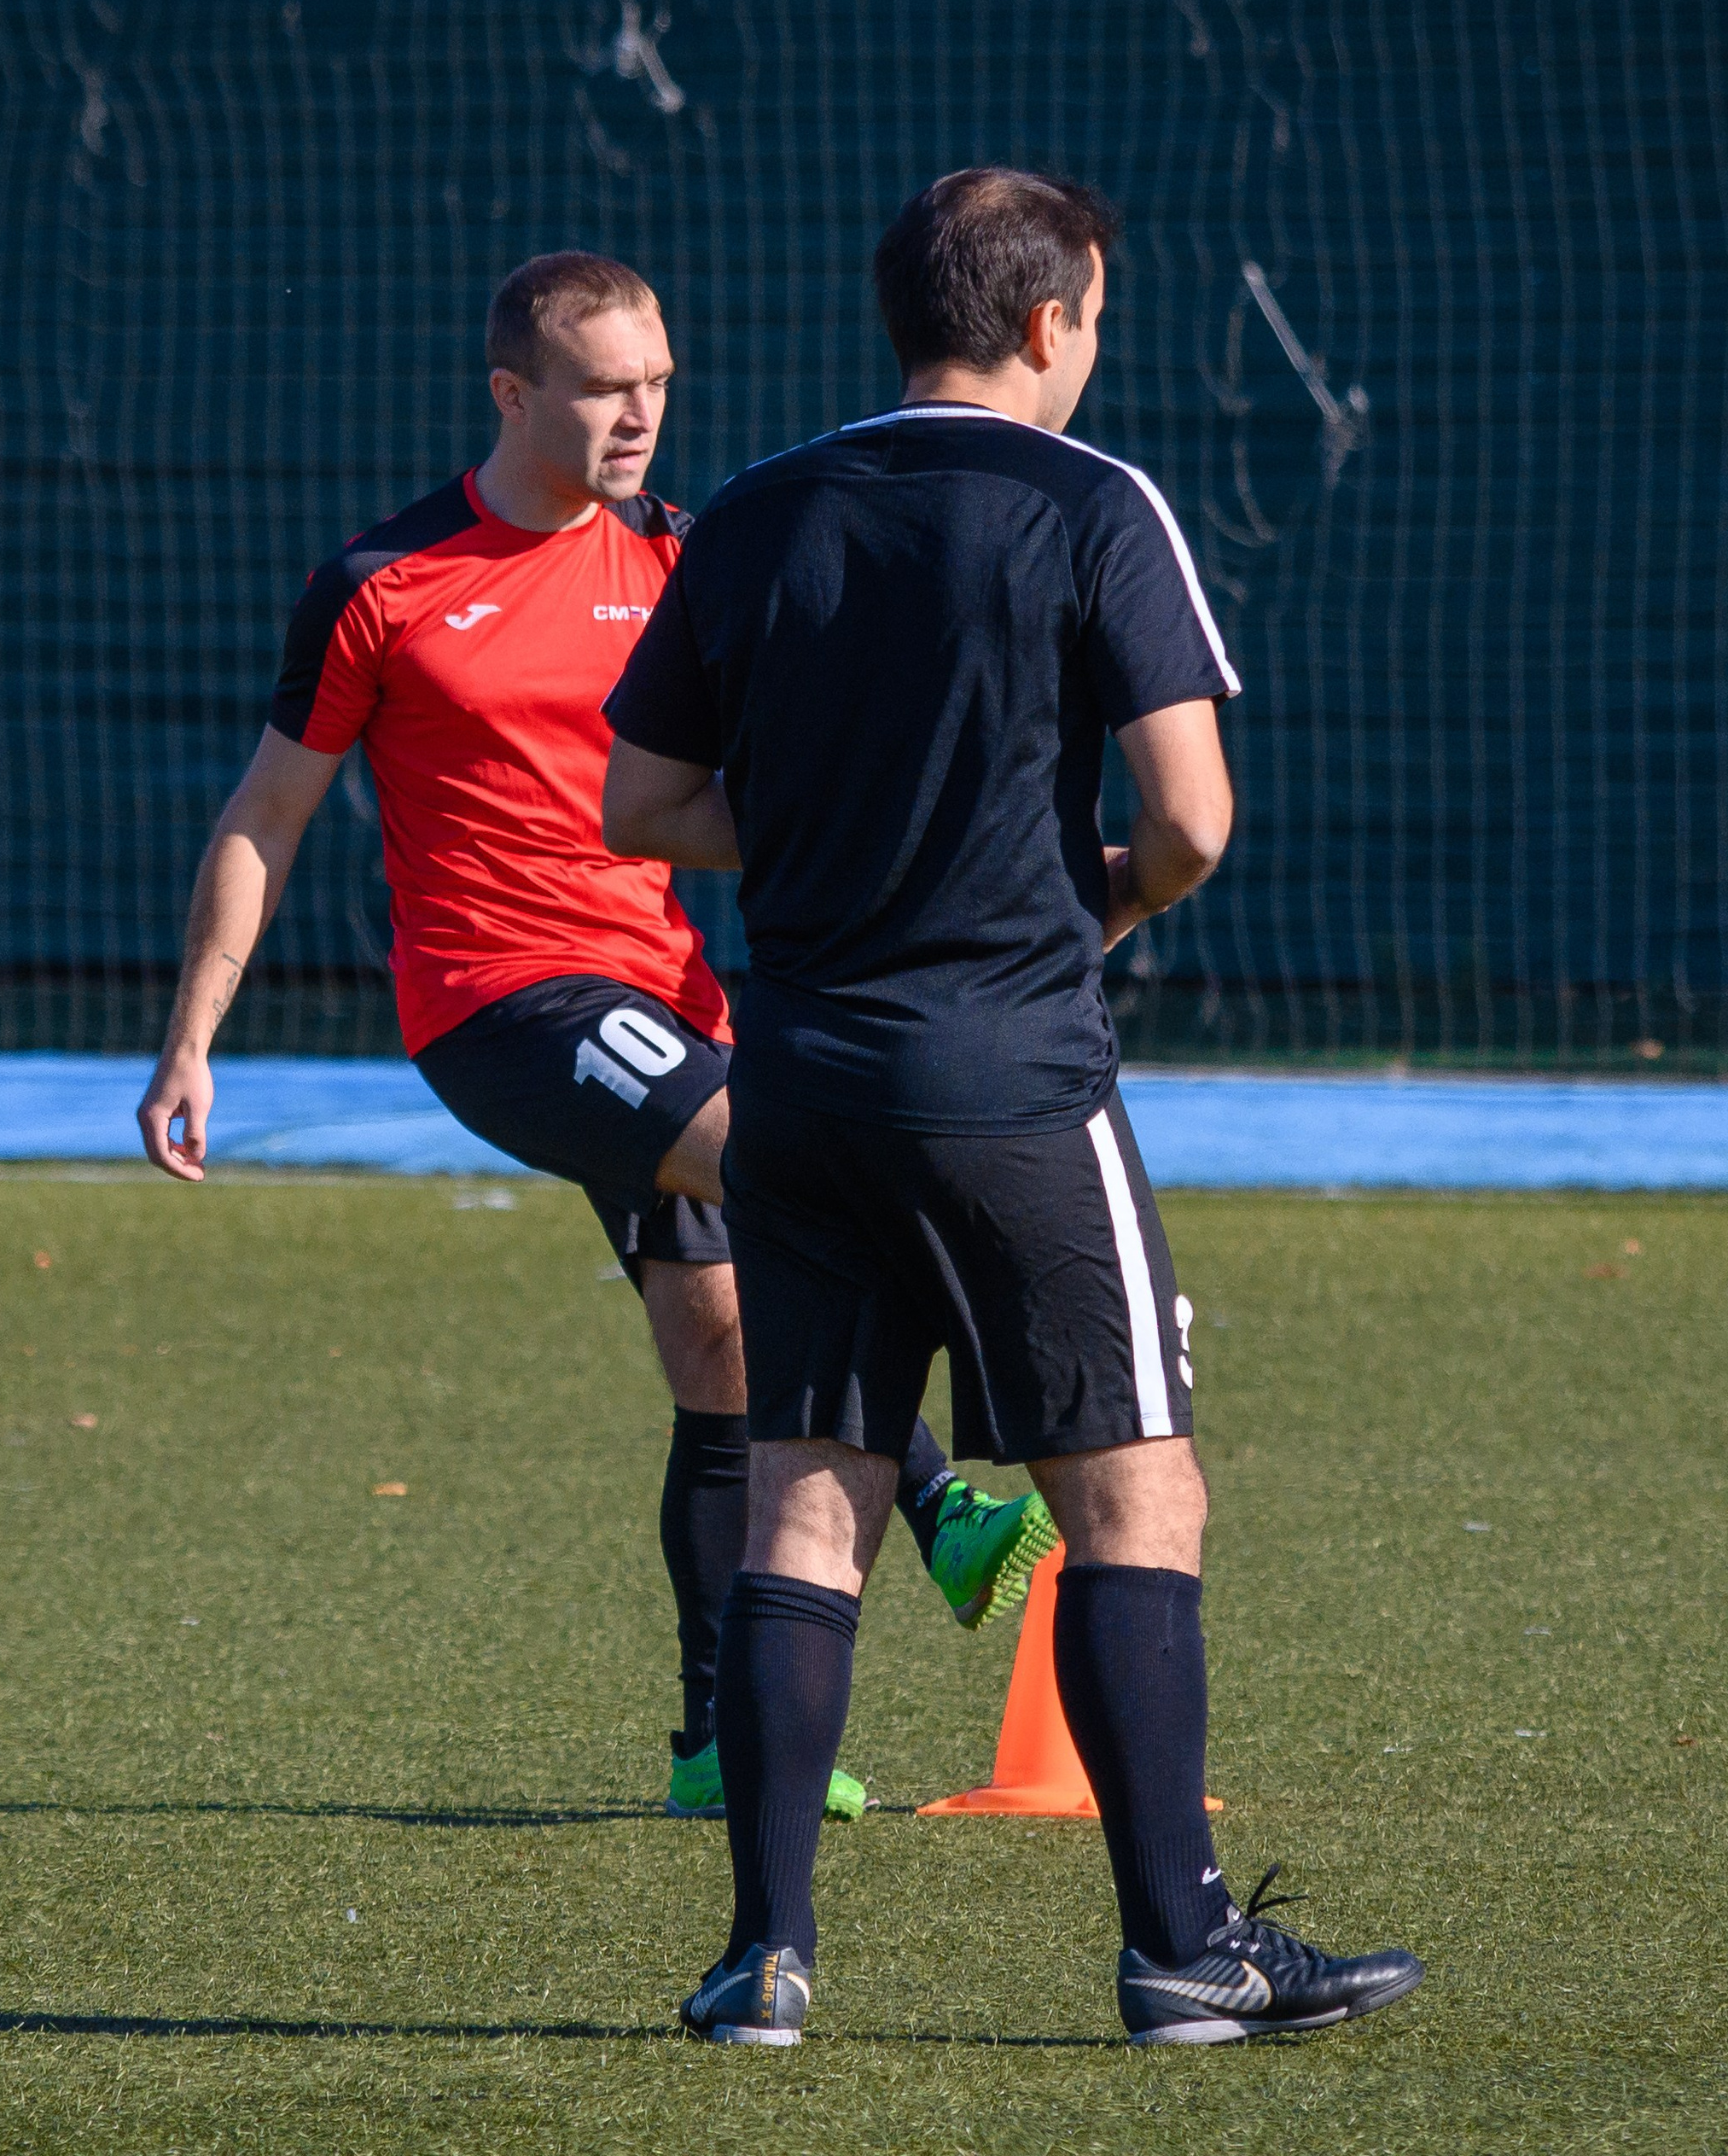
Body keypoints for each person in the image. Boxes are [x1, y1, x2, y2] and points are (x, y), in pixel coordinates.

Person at [602, 169, 1425, 2043]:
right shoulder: (1094, 503)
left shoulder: (752, 512)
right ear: (1049, 320)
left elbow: (639, 809)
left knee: (804, 1504)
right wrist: (1098, 891)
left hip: (794, 1080)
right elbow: (1197, 818)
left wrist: (824, 855)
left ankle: (761, 1958)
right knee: (1133, 1489)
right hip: (1009, 1076)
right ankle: (1177, 1948)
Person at [136, 250, 1055, 1822]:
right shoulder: (384, 583)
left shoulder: (691, 556)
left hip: (675, 1001)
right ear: (514, 394)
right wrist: (191, 1039)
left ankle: (718, 1749)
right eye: (607, 385)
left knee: (722, 1362)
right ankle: (943, 1495)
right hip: (504, 1006)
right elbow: (265, 813)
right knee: (799, 1166)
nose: (643, 413)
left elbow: (782, 770)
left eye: (661, 383)